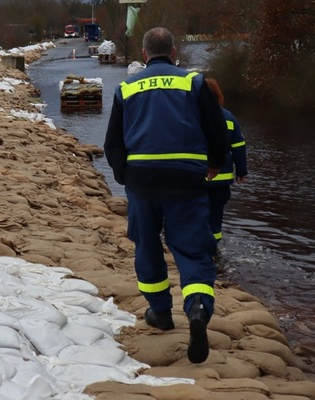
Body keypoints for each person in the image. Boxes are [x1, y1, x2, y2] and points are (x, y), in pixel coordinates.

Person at [103, 27, 228, 364]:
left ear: (144, 55)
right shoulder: (194, 82)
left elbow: (112, 143)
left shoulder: (126, 88)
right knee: (192, 247)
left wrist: (123, 176)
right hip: (186, 179)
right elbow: (217, 130)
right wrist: (215, 164)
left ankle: (160, 312)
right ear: (174, 52)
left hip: (142, 182)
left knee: (146, 245)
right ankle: (198, 309)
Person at [204, 79, 248, 248]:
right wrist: (241, 171)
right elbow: (238, 146)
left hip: (197, 177)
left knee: (194, 212)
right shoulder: (229, 117)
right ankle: (214, 249)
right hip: (221, 178)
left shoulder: (190, 115)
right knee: (216, 214)